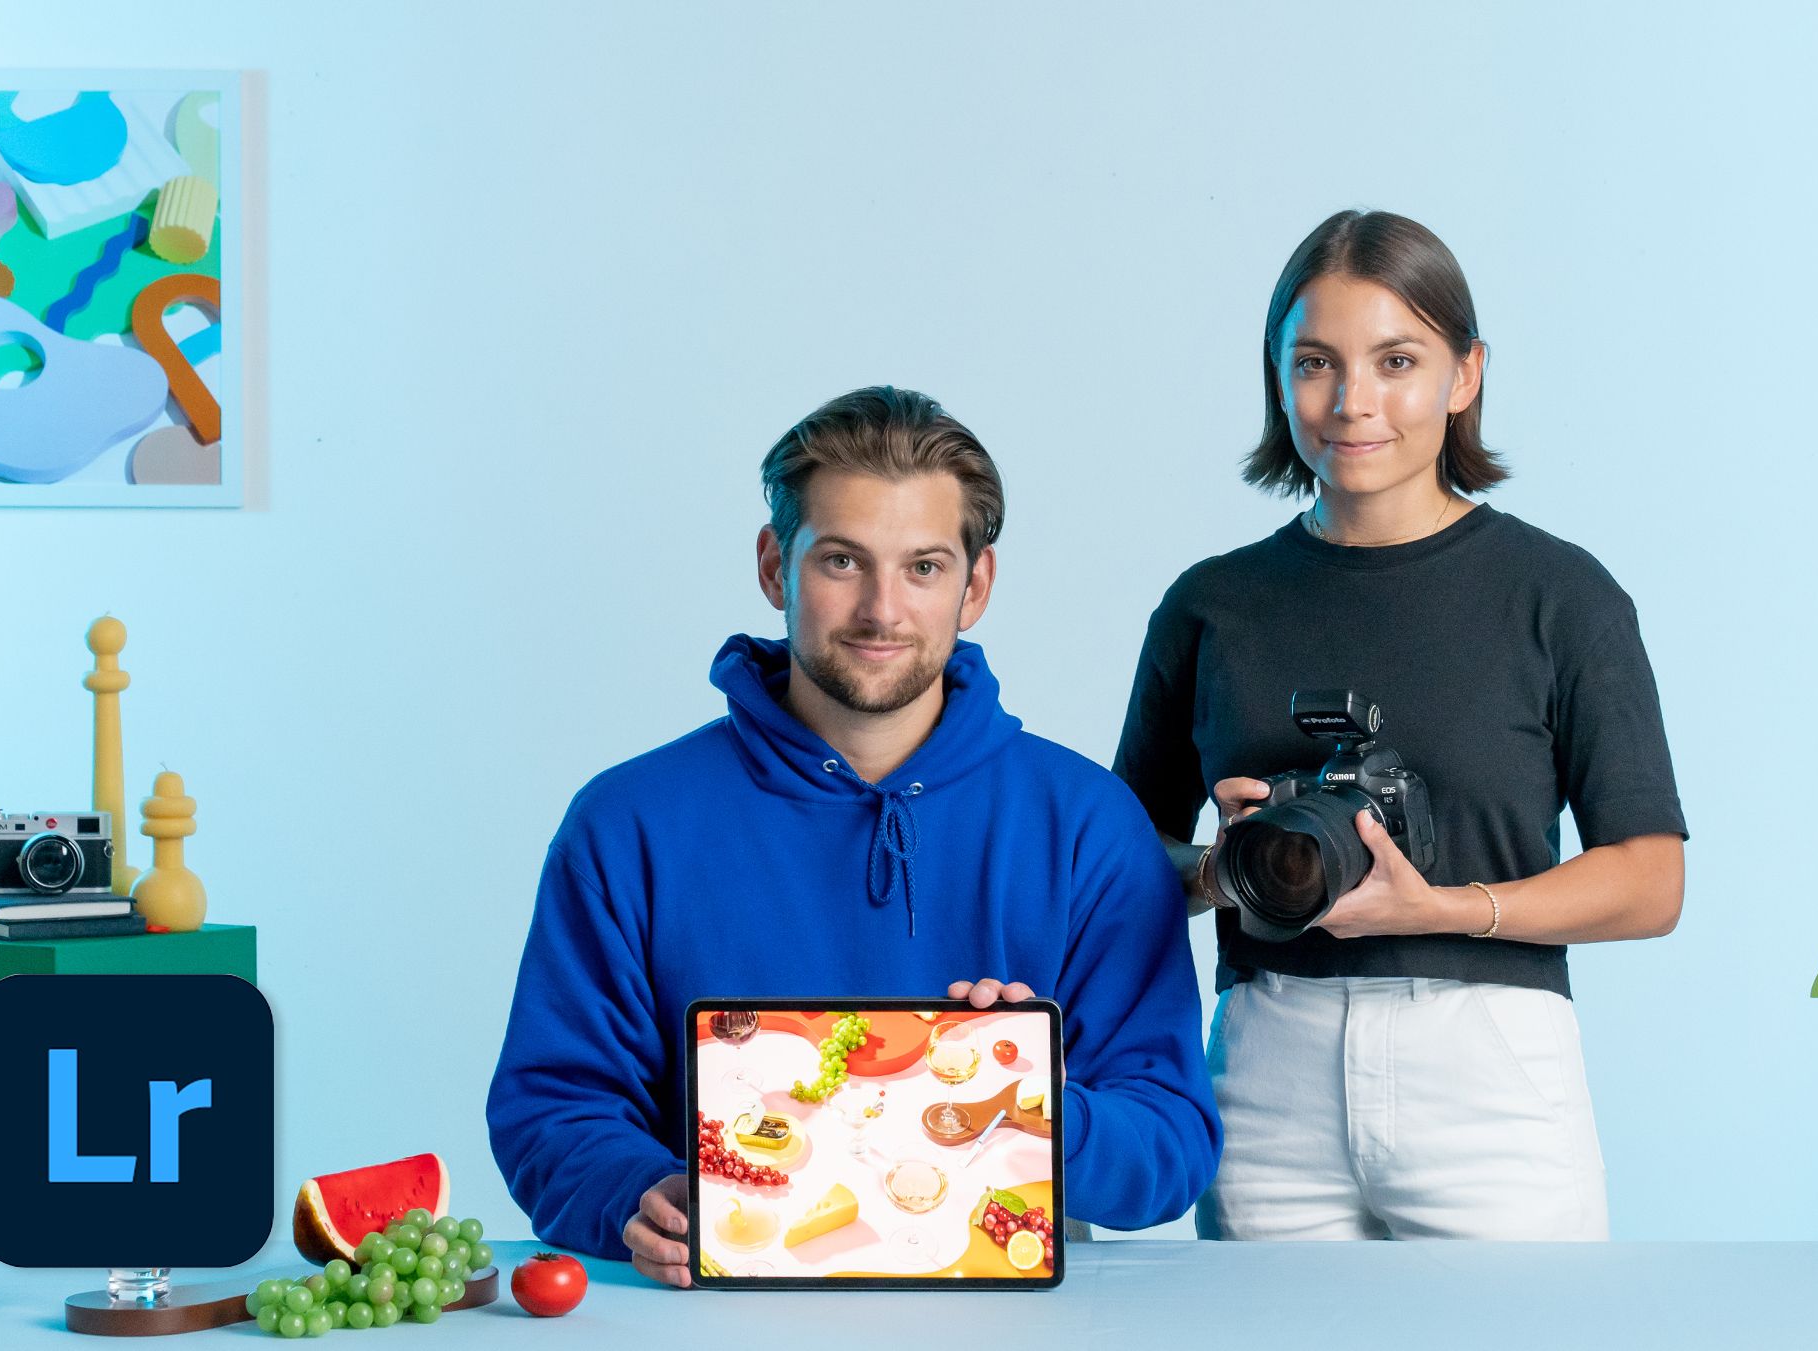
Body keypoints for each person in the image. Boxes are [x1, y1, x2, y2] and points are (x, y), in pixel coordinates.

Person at [490, 386, 1220, 1286]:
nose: (882, 609)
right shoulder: (626, 822)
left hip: (1008, 1324)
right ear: (774, 566)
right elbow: (553, 1105)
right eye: (842, 561)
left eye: (923, 566)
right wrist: (641, 1191)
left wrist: (1037, 1106)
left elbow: (1173, 1143)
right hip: (708, 1315)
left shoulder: (1088, 825)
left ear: (975, 584)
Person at [1113, 211, 1687, 1242]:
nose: (1352, 402)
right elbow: (1115, 865)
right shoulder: (1211, 604)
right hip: (1266, 1055)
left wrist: (1440, 907)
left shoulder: (1559, 595)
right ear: (1278, 377)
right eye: (1316, 362)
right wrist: (1213, 867)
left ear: (1465, 375)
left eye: (1397, 360)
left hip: (1490, 1059)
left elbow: (1652, 881)